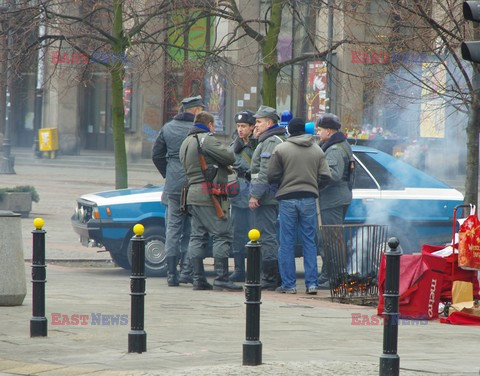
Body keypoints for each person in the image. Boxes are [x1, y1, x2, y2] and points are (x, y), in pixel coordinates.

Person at [267, 117, 331, 294]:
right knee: (310, 242)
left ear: (289, 131)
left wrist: (280, 186)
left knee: (286, 242)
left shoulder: (281, 149)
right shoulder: (317, 150)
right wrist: (314, 187)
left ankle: (289, 285)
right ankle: (312, 284)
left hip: (287, 199)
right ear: (304, 130)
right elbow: (326, 176)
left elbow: (271, 175)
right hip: (309, 199)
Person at [179, 111, 242, 291]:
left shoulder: (186, 141)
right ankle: (222, 277)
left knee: (197, 236)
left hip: (193, 193)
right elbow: (230, 157)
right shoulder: (205, 139)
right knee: (222, 234)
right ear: (210, 124)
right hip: (209, 193)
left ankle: (198, 279)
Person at [152, 96, 205, 287]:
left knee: (173, 229)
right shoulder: (199, 130)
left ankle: (171, 274)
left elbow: (156, 154)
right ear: (195, 110)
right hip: (195, 183)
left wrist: (169, 174)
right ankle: (186, 271)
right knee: (193, 230)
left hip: (174, 185)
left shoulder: (167, 128)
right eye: (200, 109)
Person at [249, 105, 287, 290]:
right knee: (269, 235)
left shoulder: (271, 141)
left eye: (258, 121)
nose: (255, 125)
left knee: (267, 236)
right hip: (269, 194)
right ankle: (274, 276)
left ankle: (270, 278)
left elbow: (264, 172)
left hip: (267, 196)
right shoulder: (267, 139)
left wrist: (255, 194)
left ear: (269, 122)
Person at [316, 113, 354, 285]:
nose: (318, 133)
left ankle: (332, 276)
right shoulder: (342, 145)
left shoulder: (334, 149)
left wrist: (315, 180)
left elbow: (333, 175)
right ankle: (330, 274)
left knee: (331, 238)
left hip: (332, 198)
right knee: (333, 237)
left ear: (329, 131)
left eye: (320, 130)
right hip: (339, 196)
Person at [228, 110, 257, 282]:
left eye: (244, 126)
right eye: (238, 126)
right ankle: (239, 269)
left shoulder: (259, 144)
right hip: (239, 196)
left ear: (252, 127)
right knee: (237, 234)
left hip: (255, 195)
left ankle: (254, 269)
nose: (240, 130)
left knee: (255, 234)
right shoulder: (233, 147)